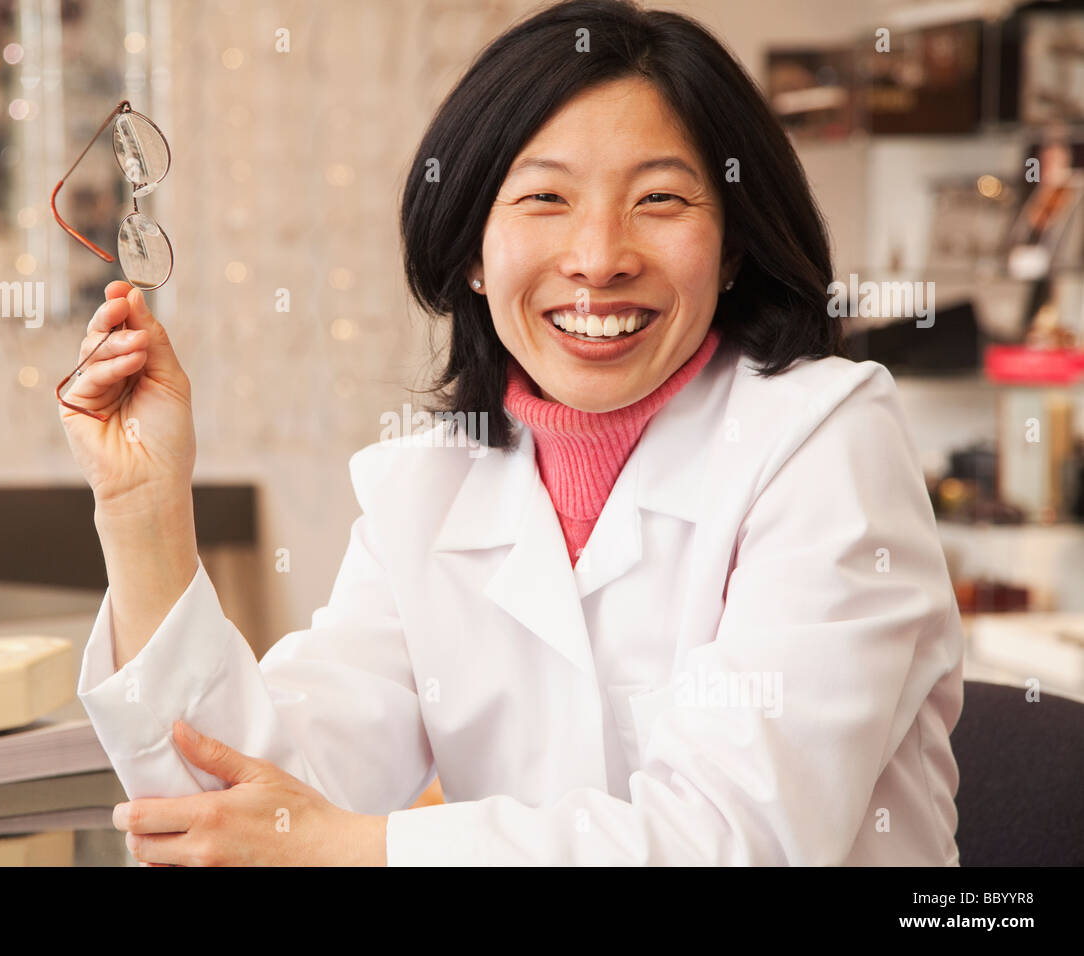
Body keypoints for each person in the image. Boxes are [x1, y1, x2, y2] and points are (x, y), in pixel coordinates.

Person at [59, 0, 963, 865]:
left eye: (659, 200)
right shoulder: (429, 486)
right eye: (543, 200)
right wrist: (143, 507)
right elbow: (231, 806)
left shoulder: (826, 439)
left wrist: (351, 851)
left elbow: (740, 841)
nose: (599, 257)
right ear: (471, 258)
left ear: (731, 248)